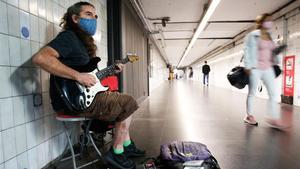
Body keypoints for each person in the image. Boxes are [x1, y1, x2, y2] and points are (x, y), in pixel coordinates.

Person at [32, 2, 144, 169]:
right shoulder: (68, 37)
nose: (94, 19)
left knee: (124, 103)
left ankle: (127, 145)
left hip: (84, 95)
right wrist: (78, 76)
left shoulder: (81, 43)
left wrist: (111, 70)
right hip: (74, 99)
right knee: (127, 102)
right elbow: (41, 58)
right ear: (75, 18)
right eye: (88, 14)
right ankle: (117, 153)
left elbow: (89, 75)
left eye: (95, 16)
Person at [243, 13, 286, 129]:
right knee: (252, 93)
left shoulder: (270, 36)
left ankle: (273, 118)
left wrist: (278, 50)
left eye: (271, 20)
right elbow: (247, 50)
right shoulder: (253, 35)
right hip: (255, 67)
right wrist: (247, 66)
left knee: (273, 93)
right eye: (268, 20)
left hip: (268, 67)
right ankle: (249, 116)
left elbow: (272, 51)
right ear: (261, 22)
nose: (270, 22)